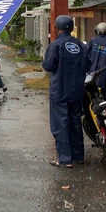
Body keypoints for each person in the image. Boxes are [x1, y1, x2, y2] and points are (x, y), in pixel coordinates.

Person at [42, 15, 90, 168]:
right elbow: (87, 66)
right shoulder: (81, 46)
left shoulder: (55, 45)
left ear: (57, 28)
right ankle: (78, 156)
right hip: (77, 90)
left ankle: (64, 158)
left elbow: (48, 66)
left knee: (60, 124)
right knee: (75, 121)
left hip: (60, 90)